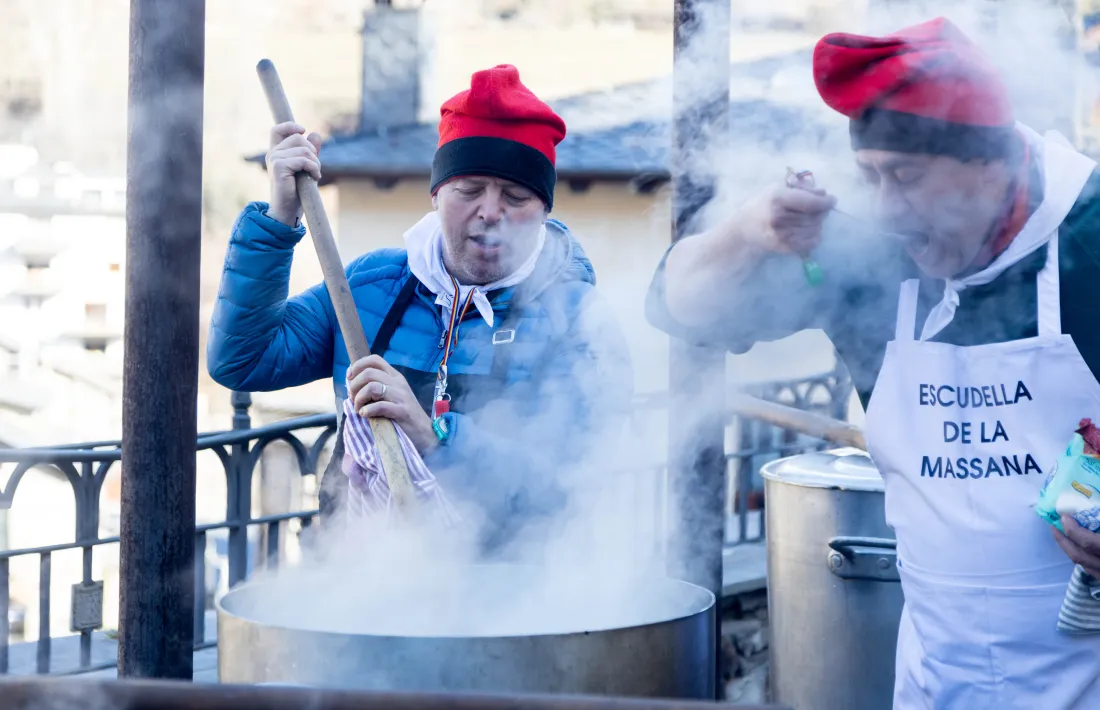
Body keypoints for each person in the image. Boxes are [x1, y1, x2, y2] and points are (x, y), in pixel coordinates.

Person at [646, 17, 1100, 709]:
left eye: (909, 177)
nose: (888, 208)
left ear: (995, 161)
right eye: (870, 176)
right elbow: (678, 306)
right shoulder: (872, 254)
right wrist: (748, 231)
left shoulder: (1088, 237)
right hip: (935, 683)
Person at [207, 64, 633, 554]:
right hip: (357, 582)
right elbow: (242, 360)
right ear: (436, 195)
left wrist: (435, 437)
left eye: (515, 195)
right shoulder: (369, 288)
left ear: (544, 209)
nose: (490, 212)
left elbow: (568, 490)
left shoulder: (579, 322)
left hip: (506, 599)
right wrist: (280, 218)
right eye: (469, 190)